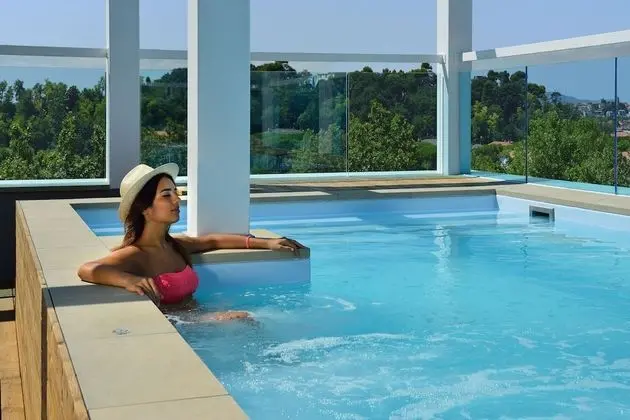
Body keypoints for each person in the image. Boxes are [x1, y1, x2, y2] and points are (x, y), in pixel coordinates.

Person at [77, 163, 304, 321]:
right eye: (166, 195)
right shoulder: (136, 255)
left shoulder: (173, 246)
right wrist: (128, 280)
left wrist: (267, 244)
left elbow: (212, 241)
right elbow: (87, 269)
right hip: (180, 330)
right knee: (247, 320)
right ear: (145, 209)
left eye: (175, 192)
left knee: (259, 318)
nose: (177, 200)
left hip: (198, 321)